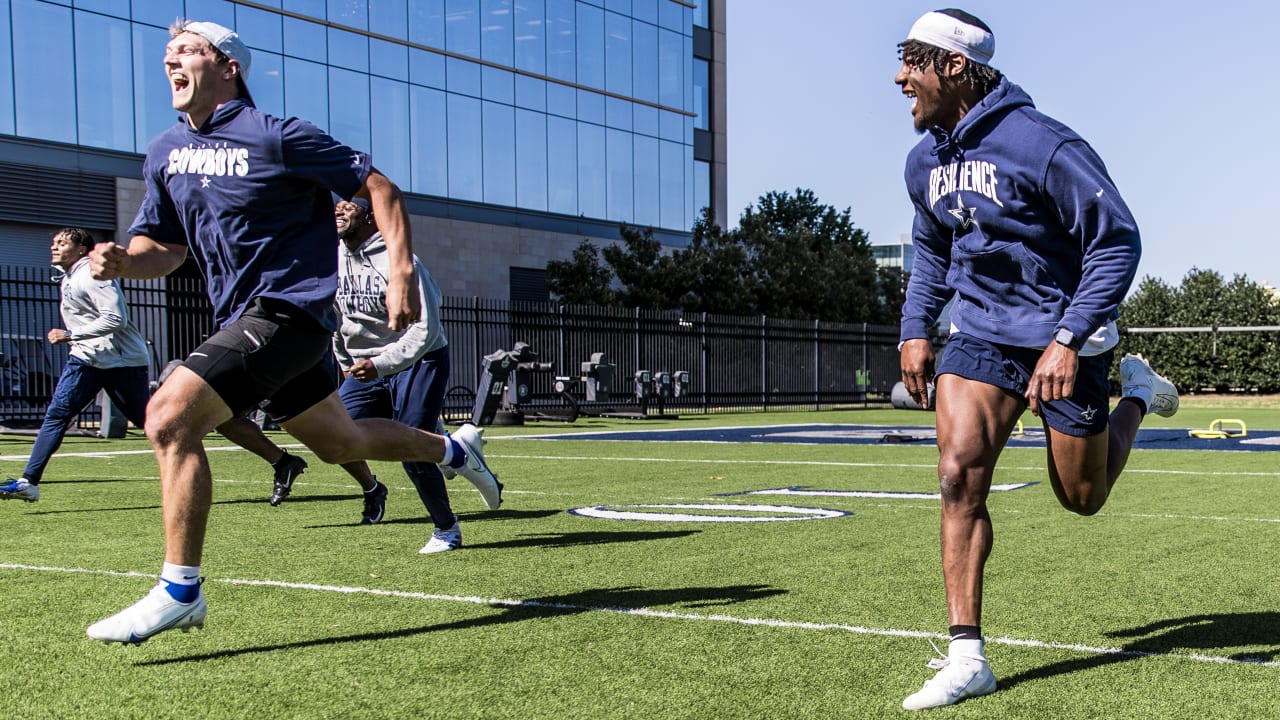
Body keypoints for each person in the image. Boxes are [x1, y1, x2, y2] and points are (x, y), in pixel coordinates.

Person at [83, 19, 499, 645]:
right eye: (168, 54)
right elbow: (162, 249)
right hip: (244, 319)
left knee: (168, 415)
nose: (173, 61)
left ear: (229, 66)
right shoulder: (164, 150)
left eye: (189, 51)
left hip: (289, 312)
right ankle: (456, 451)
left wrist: (400, 271)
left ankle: (179, 590)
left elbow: (379, 187)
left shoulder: (277, 136)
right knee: (342, 443)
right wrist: (123, 262)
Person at [893, 9, 1179, 710]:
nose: (900, 76)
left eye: (912, 60)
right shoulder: (923, 161)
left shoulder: (1044, 145)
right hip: (983, 334)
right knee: (959, 472)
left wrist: (1069, 338)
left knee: (1082, 498)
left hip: (1065, 336)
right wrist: (914, 328)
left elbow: (1118, 242)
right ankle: (968, 655)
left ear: (953, 67)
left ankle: (1136, 394)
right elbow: (932, 250)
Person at [333, 196, 501, 552]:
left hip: (419, 358)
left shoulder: (402, 262)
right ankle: (453, 447)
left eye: (348, 204)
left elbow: (425, 330)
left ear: (370, 215)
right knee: (334, 433)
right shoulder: (331, 259)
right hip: (366, 366)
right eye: (336, 203)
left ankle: (446, 529)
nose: (338, 209)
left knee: (412, 448)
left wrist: (380, 364)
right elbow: (334, 317)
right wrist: (344, 357)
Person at [0, 228, 150, 503]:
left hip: (122, 361)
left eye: (62, 243)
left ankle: (189, 455)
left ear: (82, 249)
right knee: (57, 414)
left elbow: (116, 318)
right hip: (85, 358)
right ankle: (28, 482)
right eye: (53, 243)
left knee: (149, 423)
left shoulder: (93, 276)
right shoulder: (68, 276)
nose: (54, 247)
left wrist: (69, 335)